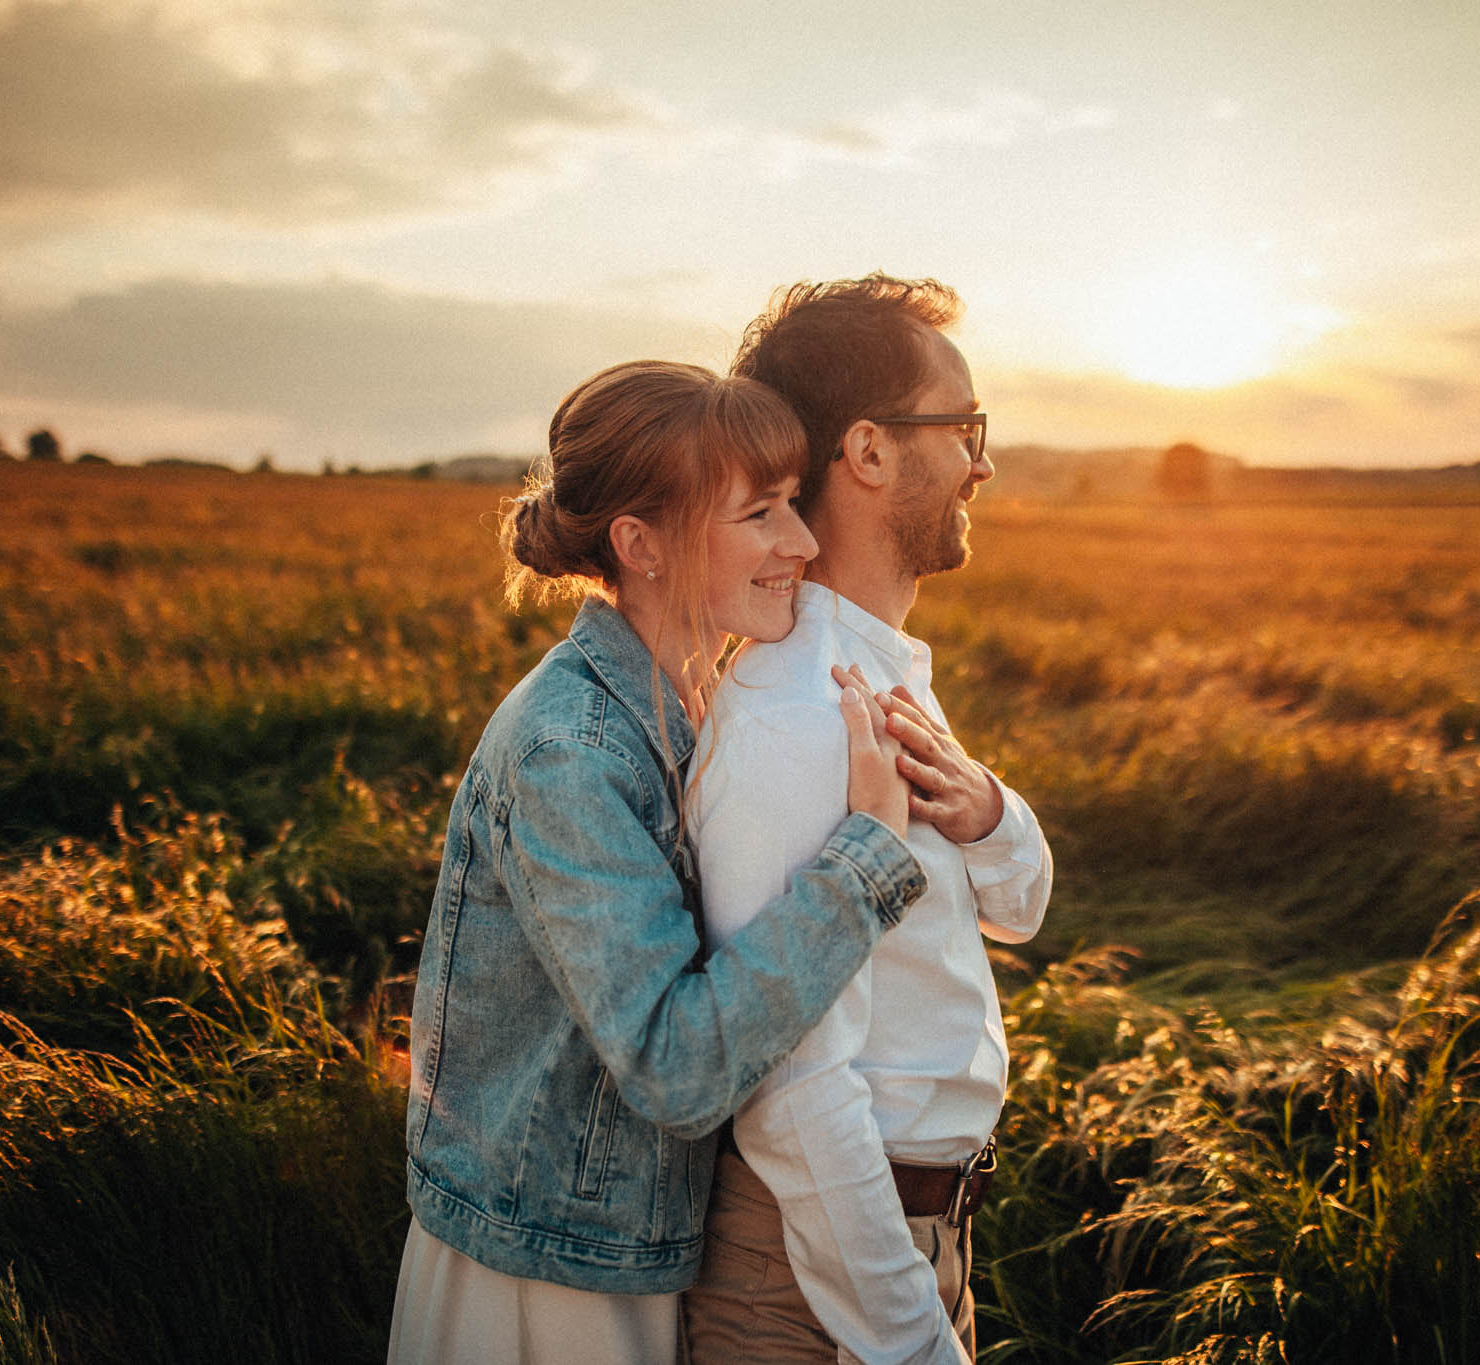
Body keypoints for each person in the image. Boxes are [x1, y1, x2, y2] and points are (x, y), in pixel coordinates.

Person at [389, 359, 933, 1365]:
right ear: (640, 544)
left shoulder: (684, 702)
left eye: (793, 507)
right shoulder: (572, 752)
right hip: (544, 1270)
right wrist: (866, 856)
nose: (802, 544)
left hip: (614, 1243)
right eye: (760, 514)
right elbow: (673, 1067)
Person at [682, 277, 1054, 1363]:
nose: (982, 462)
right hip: (815, 1278)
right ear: (870, 451)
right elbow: (791, 1096)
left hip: (912, 1245)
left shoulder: (878, 677)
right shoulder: (796, 716)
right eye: (964, 427)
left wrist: (989, 811)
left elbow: (1018, 909)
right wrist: (911, 1344)